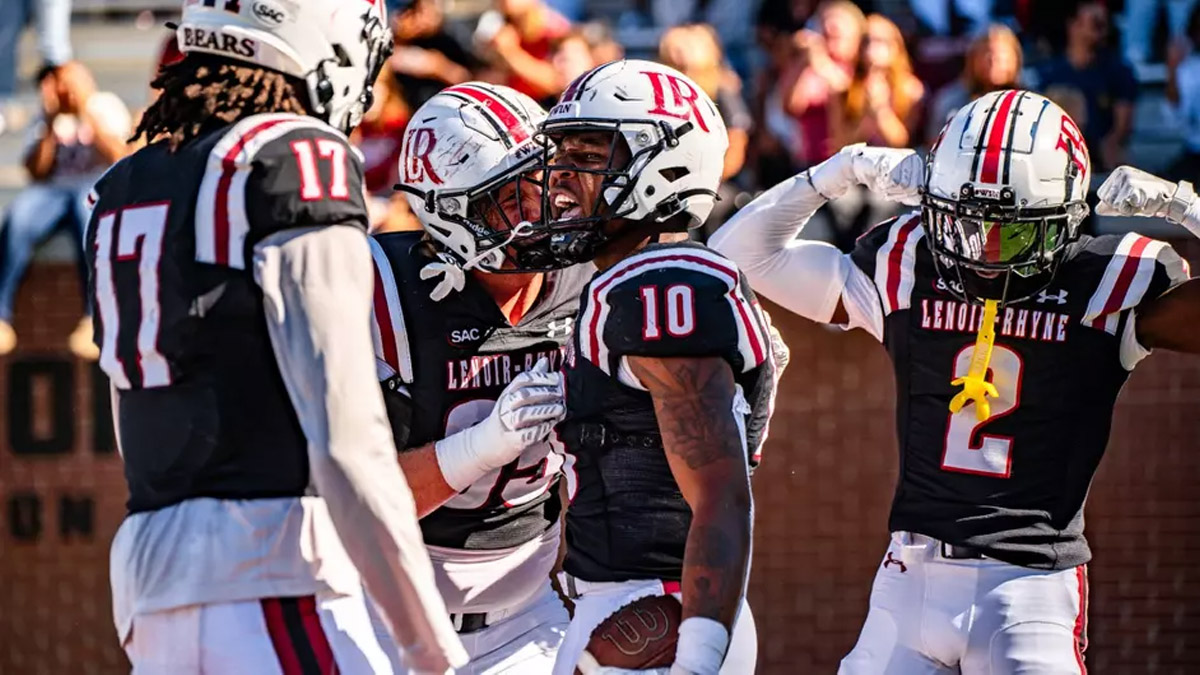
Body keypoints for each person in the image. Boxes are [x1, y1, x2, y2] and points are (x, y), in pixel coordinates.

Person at [711, 89, 1200, 673]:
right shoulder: (910, 263)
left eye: (1013, 230)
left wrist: (1184, 206)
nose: (986, 249)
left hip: (1031, 587)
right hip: (907, 576)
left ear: (1065, 220)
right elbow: (738, 251)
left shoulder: (1104, 281)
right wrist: (842, 168)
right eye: (967, 222)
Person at [87, 2, 467, 672]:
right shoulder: (295, 156)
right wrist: (434, 653)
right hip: (274, 577)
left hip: (151, 590)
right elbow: (349, 443)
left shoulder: (123, 185)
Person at [534, 60, 781, 675]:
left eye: (588, 158)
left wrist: (696, 658)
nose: (561, 179)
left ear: (661, 166)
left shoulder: (661, 286)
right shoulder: (637, 281)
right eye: (561, 156)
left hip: (656, 615)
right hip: (632, 604)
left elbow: (722, 497)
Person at [371, 81, 590, 673]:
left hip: (528, 616)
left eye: (539, 181)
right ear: (447, 213)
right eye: (507, 197)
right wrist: (481, 446)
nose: (536, 209)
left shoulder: (589, 281)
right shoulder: (381, 288)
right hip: (387, 625)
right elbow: (358, 499)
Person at [0, 61, 130, 357]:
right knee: (18, 218)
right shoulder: (47, 116)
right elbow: (36, 171)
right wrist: (49, 121)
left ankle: (92, 316)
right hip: (53, 191)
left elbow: (119, 156)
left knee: (88, 219)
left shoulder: (105, 105)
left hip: (93, 186)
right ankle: (1, 316)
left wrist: (85, 110)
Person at [657, 24, 753, 235]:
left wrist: (702, 182)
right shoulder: (665, 95)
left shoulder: (721, 90)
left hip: (720, 185)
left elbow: (736, 146)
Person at [1034, 0, 1137, 171]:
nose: (1101, 30)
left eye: (1104, 23)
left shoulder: (1119, 71)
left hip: (1103, 157)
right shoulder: (1049, 74)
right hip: (1057, 154)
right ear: (1073, 25)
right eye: (1094, 23)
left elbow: (1122, 127)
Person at [830, 14, 925, 151]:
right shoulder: (843, 89)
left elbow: (902, 144)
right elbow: (841, 144)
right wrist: (864, 115)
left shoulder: (911, 90)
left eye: (880, 41)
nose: (872, 49)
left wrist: (880, 111)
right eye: (866, 41)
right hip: (856, 168)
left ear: (895, 46)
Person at [925, 24, 1022, 147]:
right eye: (986, 53)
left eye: (1001, 55)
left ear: (1016, 59)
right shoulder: (950, 101)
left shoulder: (1033, 103)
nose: (993, 61)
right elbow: (934, 145)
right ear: (972, 60)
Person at [484, 0, 571, 102]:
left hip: (543, 105)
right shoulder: (504, 27)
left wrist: (510, 52)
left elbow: (556, 82)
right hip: (513, 101)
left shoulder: (553, 28)